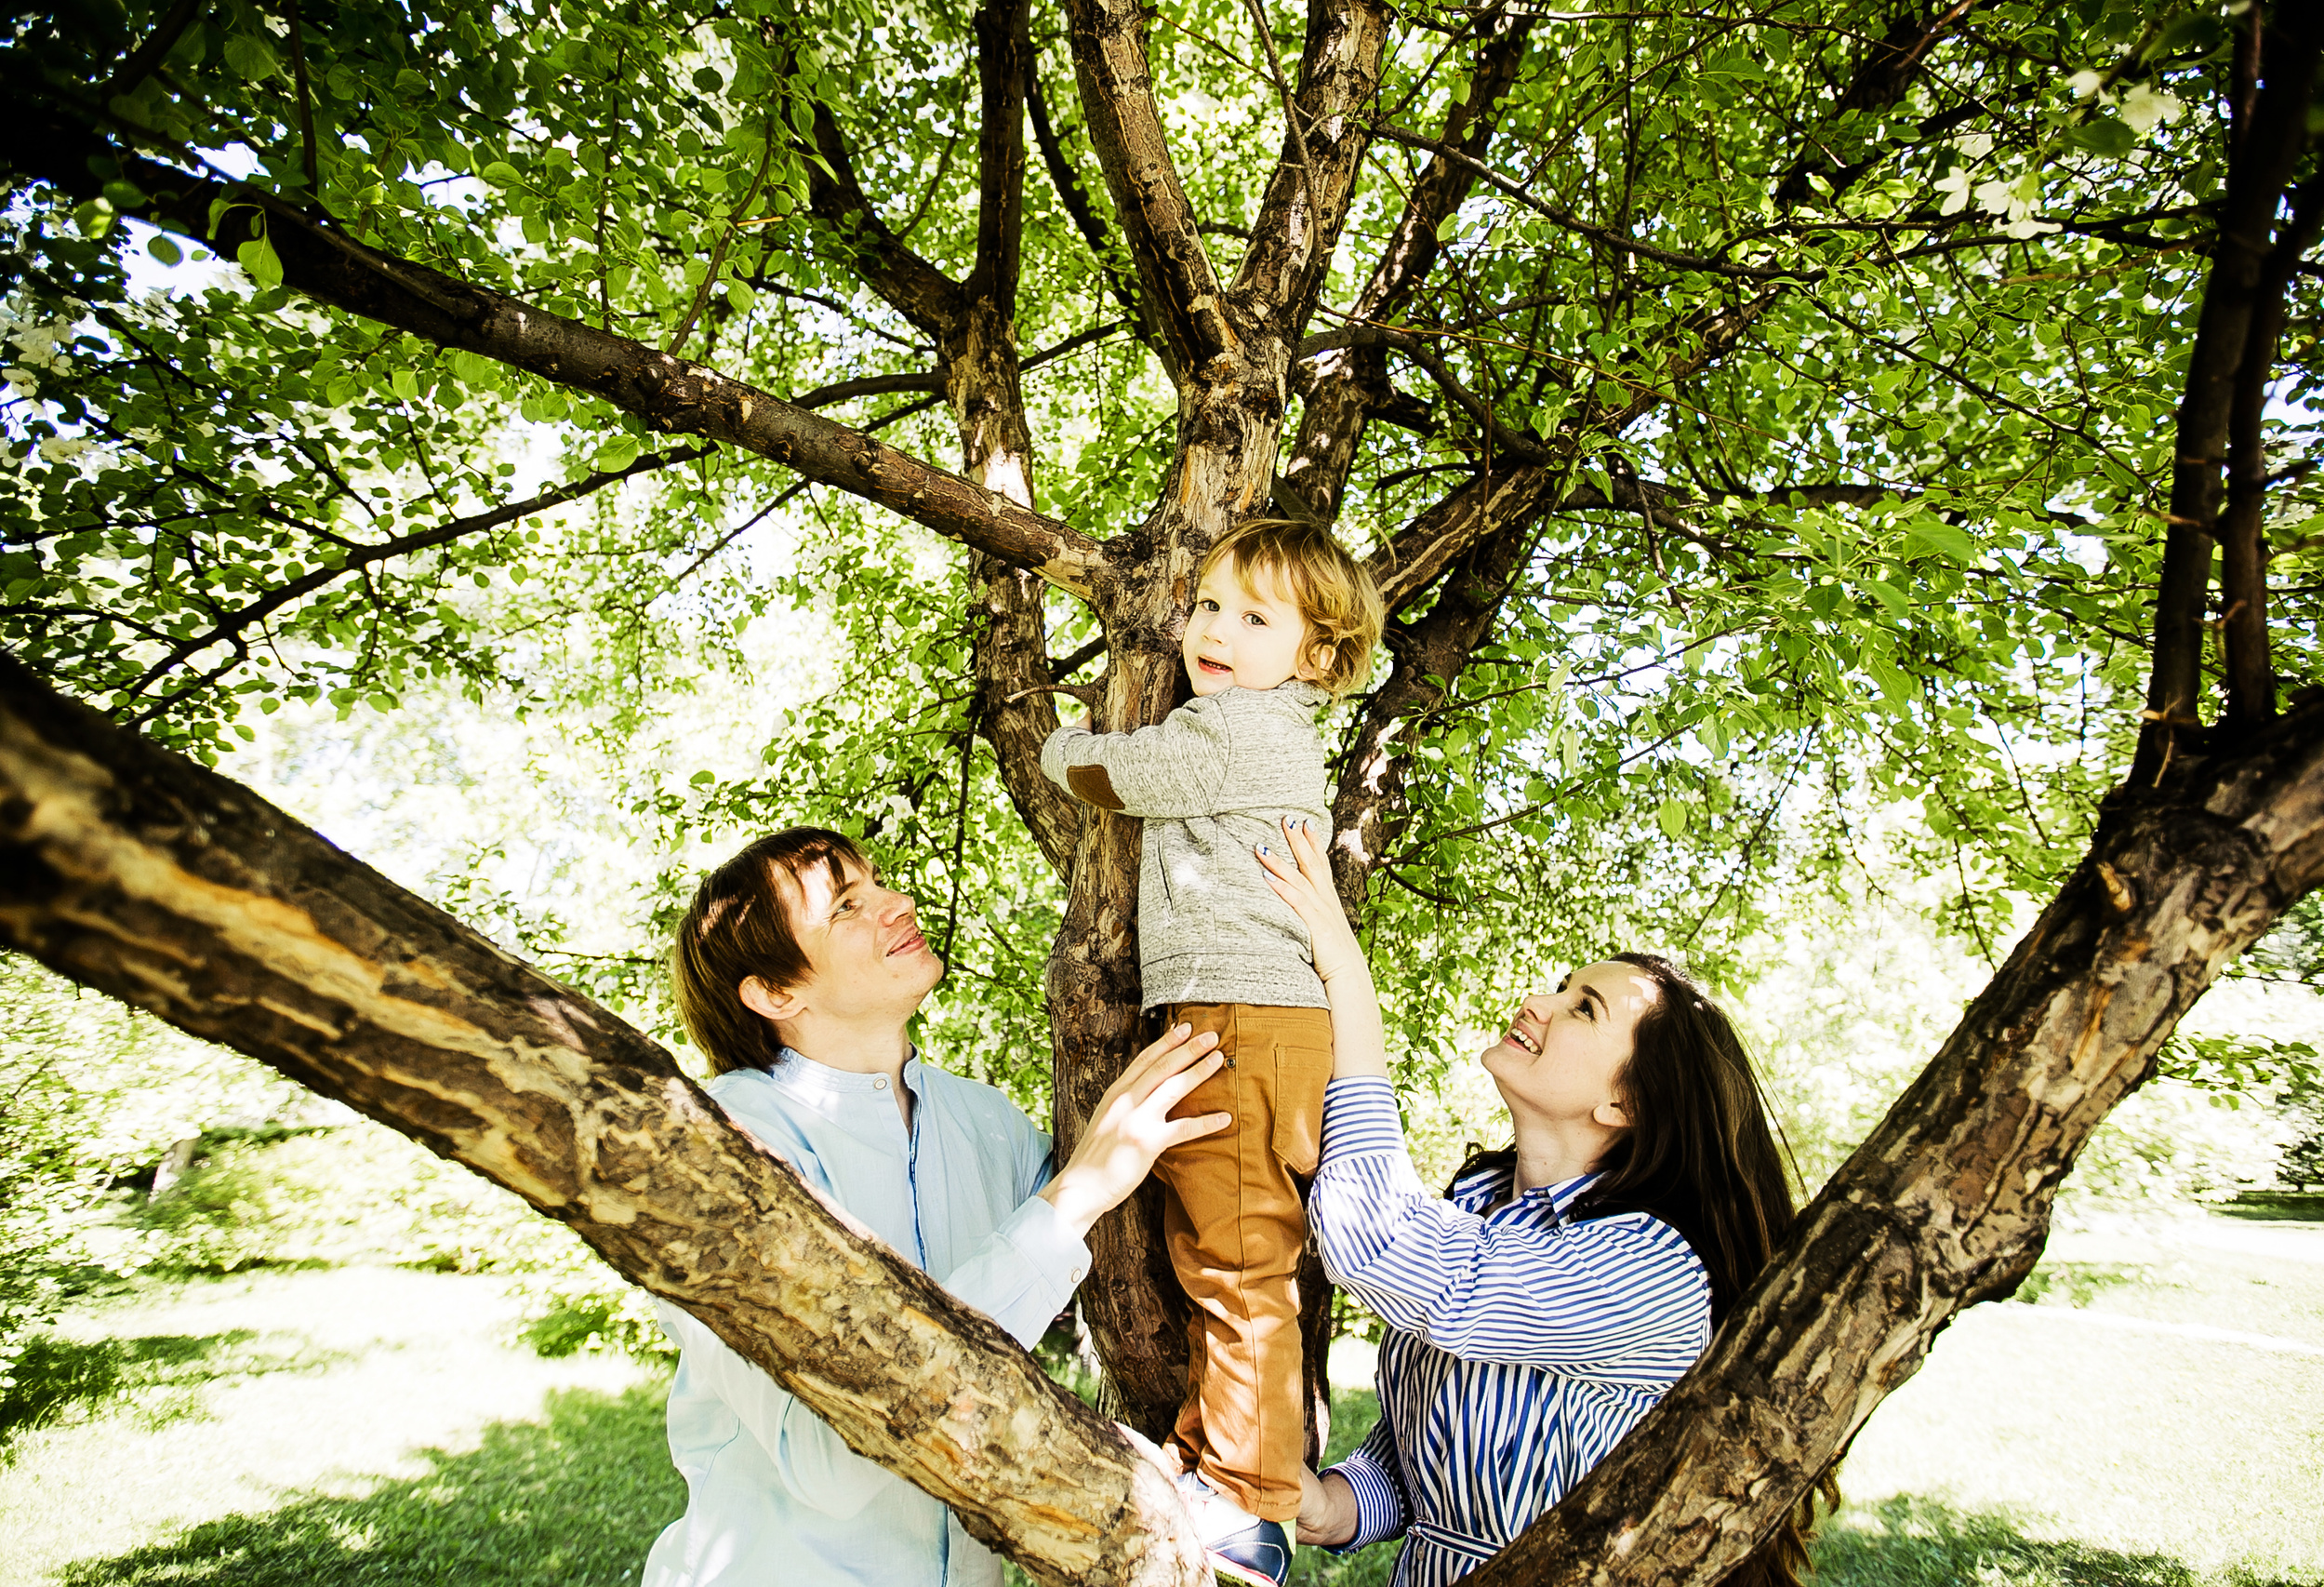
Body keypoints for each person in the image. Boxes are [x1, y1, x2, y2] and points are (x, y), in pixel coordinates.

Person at [643, 826, 1231, 1587]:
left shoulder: (983, 1122)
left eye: (880, 882)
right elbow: (834, 1457)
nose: (898, 903)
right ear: (774, 990)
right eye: (848, 905)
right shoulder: (719, 1146)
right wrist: (1074, 1193)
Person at [1254, 818, 1822, 1587]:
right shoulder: (1480, 1203)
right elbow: (1428, 1441)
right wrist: (1342, 1502)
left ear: (1627, 1104)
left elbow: (1376, 1238)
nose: (1537, 1002)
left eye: (1582, 1008)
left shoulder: (1654, 1271)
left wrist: (1347, 981)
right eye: (1563, 987)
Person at [1038, 519, 1385, 1586]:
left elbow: (1115, 772)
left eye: (1253, 616)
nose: (1213, 631)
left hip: (1243, 1019)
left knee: (1239, 1265)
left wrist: (1058, 741)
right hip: (1248, 1020)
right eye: (1208, 606)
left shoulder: (1236, 731)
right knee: (1224, 1255)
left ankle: (1247, 1501)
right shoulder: (1256, 721)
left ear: (1316, 658)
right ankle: (1222, 1470)